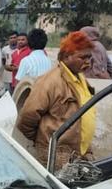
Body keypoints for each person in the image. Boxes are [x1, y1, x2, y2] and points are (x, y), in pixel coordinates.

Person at [16, 30, 96, 169]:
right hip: (58, 157)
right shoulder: (50, 81)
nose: (88, 62)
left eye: (89, 57)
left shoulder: (80, 78)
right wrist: (44, 141)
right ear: (67, 56)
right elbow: (26, 118)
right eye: (83, 57)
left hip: (77, 155)